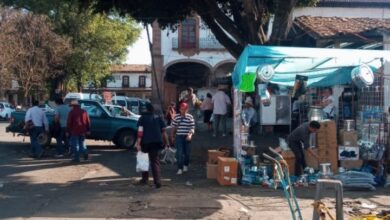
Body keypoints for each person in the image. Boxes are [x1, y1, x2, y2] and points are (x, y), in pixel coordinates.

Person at [135, 103, 168, 188]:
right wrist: (167, 142)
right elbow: (164, 132)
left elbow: (140, 133)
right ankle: (157, 181)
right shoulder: (158, 118)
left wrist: (138, 143)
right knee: (155, 161)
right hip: (156, 142)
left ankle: (145, 180)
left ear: (146, 109)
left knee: (144, 160)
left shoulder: (142, 118)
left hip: (145, 142)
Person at [171, 102, 195, 175]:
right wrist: (172, 136)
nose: (183, 111)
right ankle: (180, 168)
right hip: (179, 136)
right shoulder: (176, 117)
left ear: (187, 110)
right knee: (180, 153)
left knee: (187, 153)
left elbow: (192, 127)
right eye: (182, 109)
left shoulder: (190, 117)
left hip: (187, 136)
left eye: (185, 109)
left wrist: (190, 135)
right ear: (180, 109)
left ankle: (185, 165)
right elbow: (173, 127)